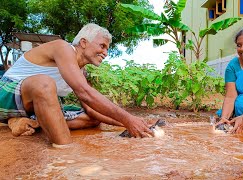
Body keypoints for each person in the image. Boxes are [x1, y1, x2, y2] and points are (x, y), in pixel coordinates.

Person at [0, 23, 153, 145]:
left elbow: (91, 108)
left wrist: (129, 123)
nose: (106, 53)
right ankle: (65, 151)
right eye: (102, 46)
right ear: (84, 42)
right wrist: (128, 119)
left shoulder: (82, 72)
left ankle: (25, 122)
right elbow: (84, 92)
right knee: (44, 83)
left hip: (33, 108)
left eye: (107, 48)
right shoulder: (63, 48)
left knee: (93, 118)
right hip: (6, 96)